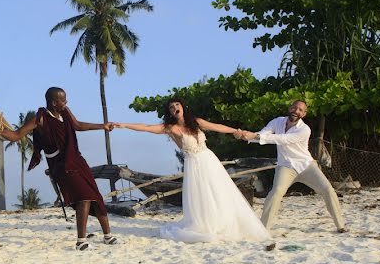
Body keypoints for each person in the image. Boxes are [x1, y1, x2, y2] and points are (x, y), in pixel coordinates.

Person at [113, 99, 271, 242]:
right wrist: (125, 125)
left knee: (218, 190)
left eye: (177, 105)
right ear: (170, 112)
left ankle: (224, 221)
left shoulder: (196, 122)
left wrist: (236, 130)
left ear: (182, 107)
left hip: (208, 160)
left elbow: (217, 127)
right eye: (171, 107)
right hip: (193, 164)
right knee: (201, 194)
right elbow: (146, 128)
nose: (175, 107)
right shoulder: (170, 128)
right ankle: (205, 223)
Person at [0, 87, 119, 251]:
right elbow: (16, 135)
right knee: (84, 196)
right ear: (53, 102)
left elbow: (78, 125)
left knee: (95, 195)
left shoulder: (65, 112)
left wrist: (103, 126)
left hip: (75, 159)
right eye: (63, 100)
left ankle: (107, 236)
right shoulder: (40, 118)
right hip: (60, 165)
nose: (66, 102)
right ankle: (81, 241)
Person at [235, 100, 347, 233]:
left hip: (306, 165)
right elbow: (264, 134)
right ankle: (264, 229)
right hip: (286, 166)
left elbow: (283, 139)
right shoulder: (277, 121)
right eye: (294, 107)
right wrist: (245, 137)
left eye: (300, 110)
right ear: (290, 108)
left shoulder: (304, 129)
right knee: (276, 192)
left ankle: (340, 226)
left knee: (327, 189)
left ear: (303, 114)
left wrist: (254, 135)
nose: (296, 111)